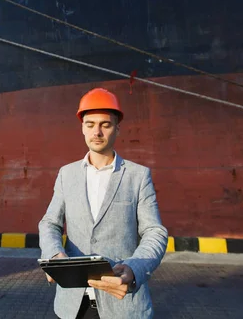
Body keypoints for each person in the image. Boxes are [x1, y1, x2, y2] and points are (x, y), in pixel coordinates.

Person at [39, 87, 168, 319]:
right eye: (90, 124)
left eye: (105, 125)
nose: (96, 132)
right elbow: (50, 223)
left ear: (117, 128)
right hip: (73, 304)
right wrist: (55, 255)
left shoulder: (138, 176)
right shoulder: (66, 174)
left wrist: (134, 268)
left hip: (122, 303)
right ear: (82, 128)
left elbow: (154, 232)